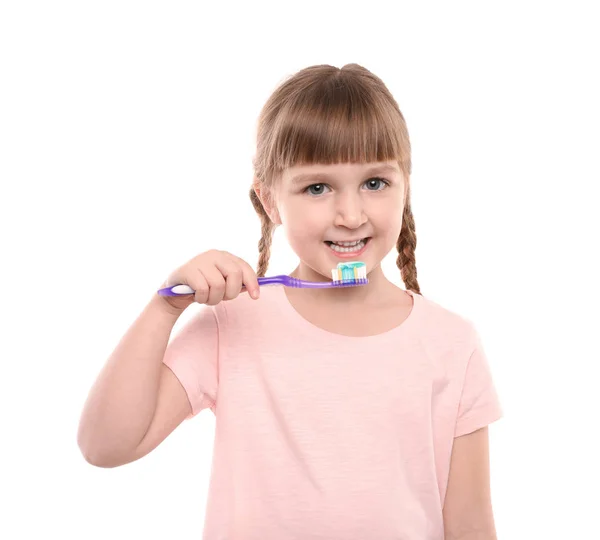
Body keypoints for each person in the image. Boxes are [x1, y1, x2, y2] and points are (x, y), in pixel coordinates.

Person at [77, 63, 503, 540]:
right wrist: (164, 309)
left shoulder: (451, 342)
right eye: (317, 188)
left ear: (405, 185)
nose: (350, 214)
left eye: (375, 183)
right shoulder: (231, 326)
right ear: (270, 202)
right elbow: (104, 445)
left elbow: (469, 525)